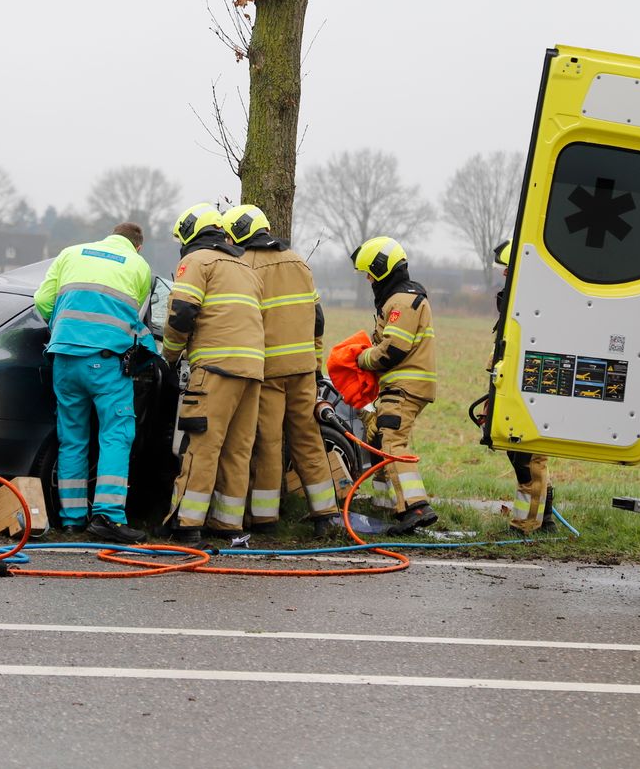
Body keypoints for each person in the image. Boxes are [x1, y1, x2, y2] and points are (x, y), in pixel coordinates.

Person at [33, 222, 157, 545]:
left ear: (108, 236)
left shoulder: (70, 254)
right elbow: (135, 318)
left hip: (63, 357)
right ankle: (108, 517)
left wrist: (69, 331)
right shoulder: (138, 266)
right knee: (116, 434)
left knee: (72, 437)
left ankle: (72, 520)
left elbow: (43, 303)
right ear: (137, 246)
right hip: (106, 363)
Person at [221, 204, 337, 536]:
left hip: (267, 369)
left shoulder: (244, 265)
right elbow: (318, 318)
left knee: (268, 443)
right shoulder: (299, 262)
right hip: (302, 369)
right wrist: (315, 364)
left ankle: (264, 518)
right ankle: (326, 515)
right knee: (308, 438)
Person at [161, 203, 265, 544]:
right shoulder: (245, 267)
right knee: (238, 449)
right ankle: (228, 525)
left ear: (191, 233)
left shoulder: (197, 262)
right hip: (252, 372)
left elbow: (181, 314)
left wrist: (170, 356)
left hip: (215, 370)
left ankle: (187, 524)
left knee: (201, 446)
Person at [351, 236, 438, 534]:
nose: (368, 278)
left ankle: (415, 508)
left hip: (405, 386)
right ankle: (390, 505)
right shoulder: (397, 299)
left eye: (370, 272)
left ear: (382, 269)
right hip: (401, 385)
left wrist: (361, 358)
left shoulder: (402, 301)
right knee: (379, 441)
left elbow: (392, 350)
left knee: (392, 443)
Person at [490, 239, 554, 533]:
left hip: (527, 389)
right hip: (510, 386)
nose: (503, 274)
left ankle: (527, 525)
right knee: (521, 455)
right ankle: (544, 520)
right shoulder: (519, 301)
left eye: (507, 269)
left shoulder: (536, 303)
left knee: (529, 458)